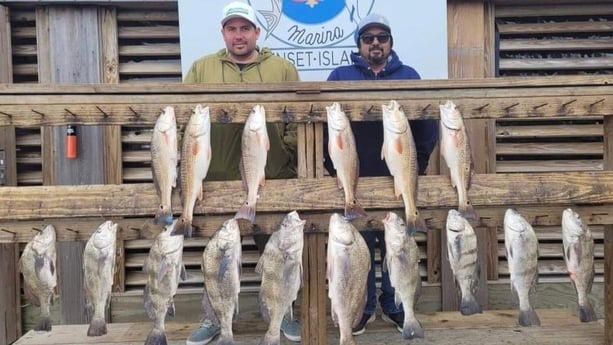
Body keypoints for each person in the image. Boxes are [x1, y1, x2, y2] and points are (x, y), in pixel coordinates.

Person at [183, 2, 301, 344]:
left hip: (274, 178)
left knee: (281, 253)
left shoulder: (282, 68)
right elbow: (184, 120)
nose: (239, 35)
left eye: (245, 28)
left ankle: (285, 314)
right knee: (216, 258)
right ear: (223, 33)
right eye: (232, 28)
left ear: (257, 32)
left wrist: (288, 151)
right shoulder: (201, 68)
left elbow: (296, 118)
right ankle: (215, 318)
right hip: (216, 179)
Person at [324, 13, 439, 335]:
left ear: (390, 43)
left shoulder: (409, 75)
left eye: (382, 37)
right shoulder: (340, 75)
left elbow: (427, 129)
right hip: (355, 180)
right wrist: (333, 168)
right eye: (368, 38)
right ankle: (363, 307)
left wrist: (417, 168)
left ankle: (395, 305)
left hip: (398, 179)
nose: (375, 43)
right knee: (358, 249)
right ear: (359, 44)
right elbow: (327, 132)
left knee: (397, 249)